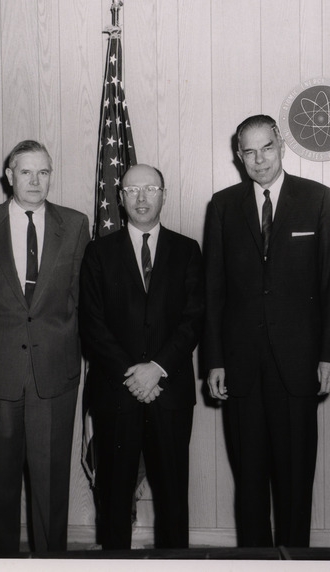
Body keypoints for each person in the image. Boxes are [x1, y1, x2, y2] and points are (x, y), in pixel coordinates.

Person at [203, 114, 330, 547]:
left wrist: (329, 354)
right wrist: (214, 361)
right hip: (241, 368)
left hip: (298, 365)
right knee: (249, 482)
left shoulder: (316, 198)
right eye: (249, 151)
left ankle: (294, 561)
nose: (259, 159)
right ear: (238, 155)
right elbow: (213, 292)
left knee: (295, 480)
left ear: (281, 145)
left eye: (266, 147)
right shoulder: (223, 206)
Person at [0, 140, 89, 555]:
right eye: (25, 172)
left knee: (51, 487)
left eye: (43, 172)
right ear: (8, 175)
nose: (35, 181)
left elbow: (83, 299)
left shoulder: (76, 224)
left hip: (55, 372)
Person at [79, 164, 204, 550]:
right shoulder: (99, 252)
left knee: (172, 499)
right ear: (120, 197)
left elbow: (194, 319)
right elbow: (92, 324)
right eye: (133, 190)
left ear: (164, 194)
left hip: (170, 392)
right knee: (114, 497)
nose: (142, 198)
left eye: (150, 188)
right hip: (117, 393)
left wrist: (157, 369)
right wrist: (133, 375)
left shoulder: (187, 250)